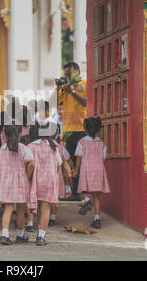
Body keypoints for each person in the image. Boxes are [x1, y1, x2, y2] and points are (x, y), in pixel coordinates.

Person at [0, 124, 34, 245]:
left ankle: (5, 235)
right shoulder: (23, 148)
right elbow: (31, 164)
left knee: (8, 208)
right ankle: (20, 234)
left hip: (6, 179)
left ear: (5, 135)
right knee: (21, 210)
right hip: (21, 180)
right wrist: (27, 176)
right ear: (20, 134)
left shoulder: (2, 149)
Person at [27, 122, 63, 246]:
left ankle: (35, 226)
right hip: (49, 179)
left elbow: (30, 164)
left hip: (36, 180)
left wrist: (28, 176)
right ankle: (41, 236)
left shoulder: (31, 146)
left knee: (36, 206)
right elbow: (59, 164)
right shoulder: (53, 147)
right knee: (46, 208)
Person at [56, 62, 87, 202]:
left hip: (81, 128)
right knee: (70, 162)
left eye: (69, 74)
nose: (67, 77)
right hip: (68, 129)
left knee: (81, 162)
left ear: (78, 72)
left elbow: (87, 102)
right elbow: (57, 103)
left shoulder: (84, 84)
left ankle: (82, 193)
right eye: (65, 75)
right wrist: (58, 89)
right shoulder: (64, 88)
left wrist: (72, 92)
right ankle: (74, 193)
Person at [74, 117, 110, 229]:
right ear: (99, 129)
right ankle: (97, 219)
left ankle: (87, 201)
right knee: (97, 195)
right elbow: (104, 158)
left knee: (82, 190)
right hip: (99, 169)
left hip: (86, 168)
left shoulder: (82, 142)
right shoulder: (101, 143)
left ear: (86, 128)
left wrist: (76, 169)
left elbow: (79, 157)